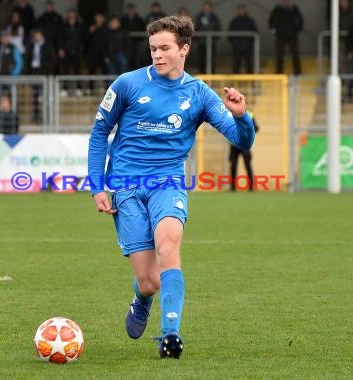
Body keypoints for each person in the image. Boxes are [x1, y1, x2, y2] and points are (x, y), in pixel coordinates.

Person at [87, 15, 255, 359]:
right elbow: (99, 133)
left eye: (165, 48)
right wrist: (97, 185)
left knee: (168, 248)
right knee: (150, 281)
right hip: (126, 186)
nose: (157, 55)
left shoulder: (199, 94)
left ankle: (170, 335)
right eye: (153, 48)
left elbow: (241, 140)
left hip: (168, 183)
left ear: (184, 49)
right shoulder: (127, 84)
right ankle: (141, 298)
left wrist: (241, 115)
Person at [269, 0, 304, 75]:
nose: (286, 2)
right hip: (280, 35)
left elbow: (300, 20)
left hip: (292, 35)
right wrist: (273, 30)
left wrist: (297, 30)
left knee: (295, 54)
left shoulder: (294, 8)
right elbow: (271, 20)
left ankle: (298, 72)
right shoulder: (277, 9)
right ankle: (279, 73)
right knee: (279, 55)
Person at [229, 111, 259, 191]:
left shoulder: (249, 115)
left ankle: (251, 187)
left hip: (245, 145)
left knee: (247, 165)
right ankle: (232, 187)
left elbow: (256, 128)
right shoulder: (230, 114)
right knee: (233, 166)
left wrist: (246, 131)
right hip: (234, 144)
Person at [228, 3, 258, 74]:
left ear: (245, 10)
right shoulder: (234, 21)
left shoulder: (250, 21)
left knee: (249, 64)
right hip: (237, 47)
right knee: (236, 64)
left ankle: (251, 81)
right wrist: (235, 42)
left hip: (248, 46)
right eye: (239, 10)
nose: (241, 11)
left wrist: (249, 42)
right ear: (237, 11)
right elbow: (229, 34)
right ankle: (236, 81)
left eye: (242, 9)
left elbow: (255, 32)